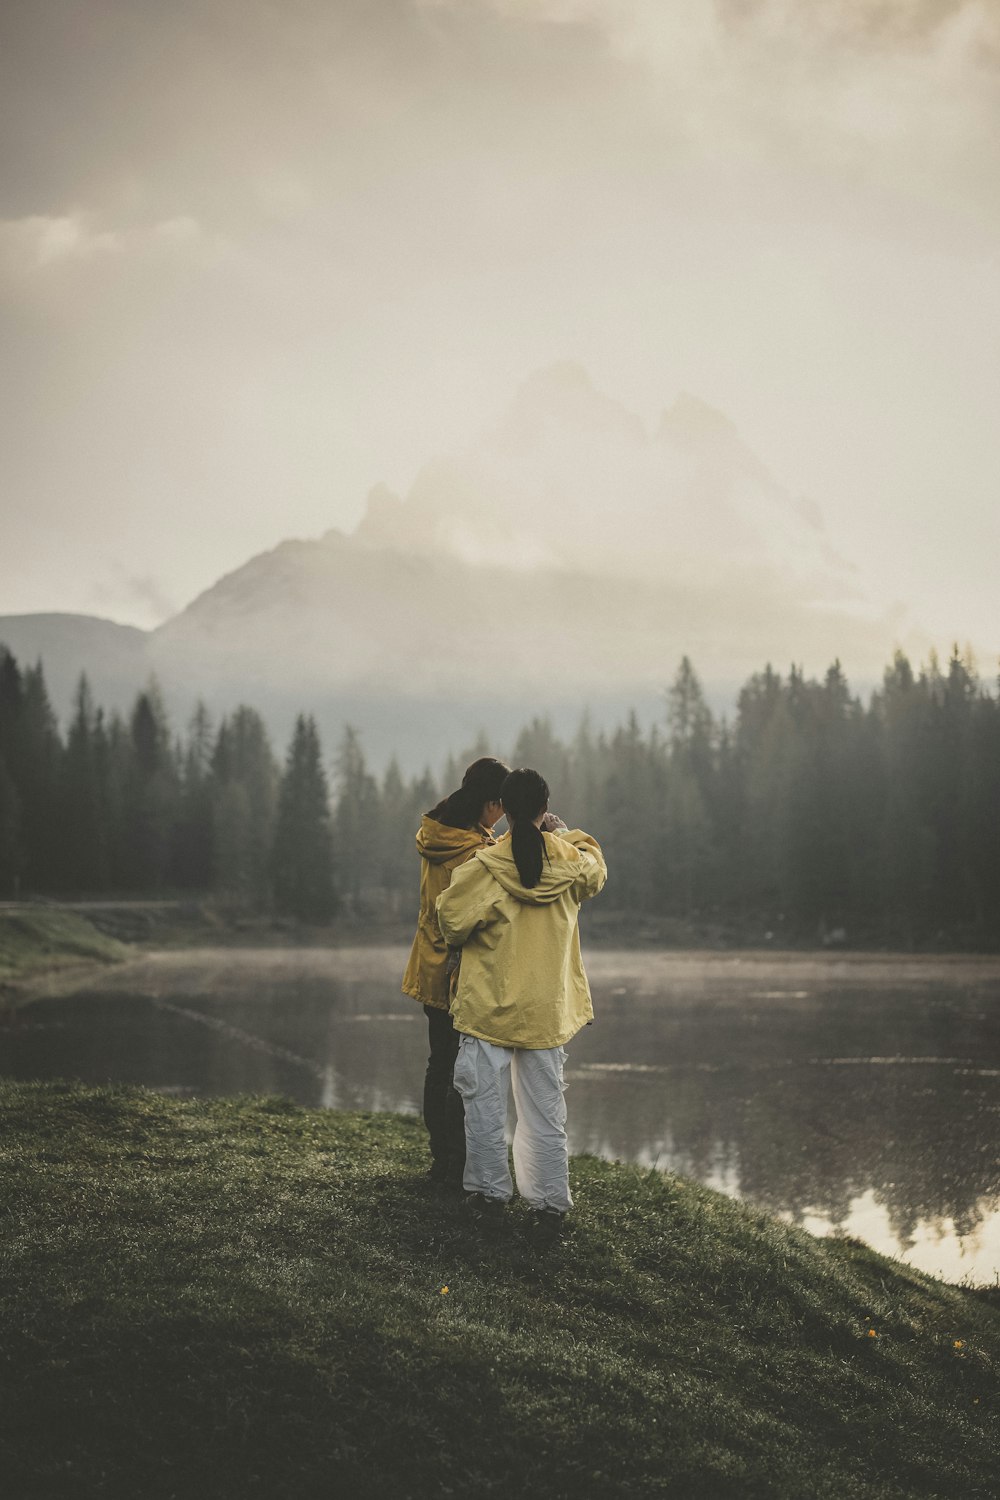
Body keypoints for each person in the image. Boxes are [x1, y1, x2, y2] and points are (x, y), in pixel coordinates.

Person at [435, 767, 606, 1235]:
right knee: (545, 1114)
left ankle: (490, 1196)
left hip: (487, 1008)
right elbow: (597, 868)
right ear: (543, 809)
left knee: (485, 1111)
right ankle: (549, 1204)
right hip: (544, 1012)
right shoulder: (571, 863)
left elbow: (449, 921)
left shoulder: (484, 868)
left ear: (503, 810)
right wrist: (564, 832)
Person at [402, 755, 510, 1187]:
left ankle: (441, 1160)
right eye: (501, 807)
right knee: (460, 1071)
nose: (502, 817)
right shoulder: (475, 852)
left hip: (429, 962)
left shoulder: (437, 834)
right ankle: (453, 1163)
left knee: (439, 1063)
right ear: (489, 804)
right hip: (457, 971)